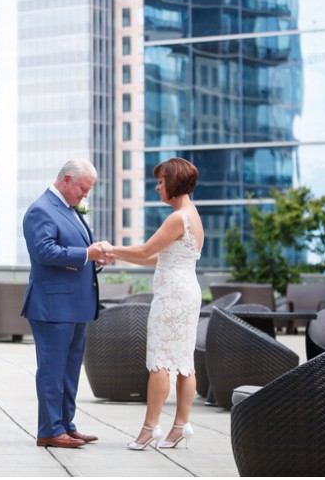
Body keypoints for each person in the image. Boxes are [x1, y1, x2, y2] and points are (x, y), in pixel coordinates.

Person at [96, 157, 203, 451]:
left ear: (174, 182)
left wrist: (108, 248)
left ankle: (149, 428)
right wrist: (118, 255)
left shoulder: (176, 218)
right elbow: (158, 257)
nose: (157, 187)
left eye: (160, 181)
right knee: (184, 363)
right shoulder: (193, 215)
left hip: (172, 297)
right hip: (188, 292)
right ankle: (180, 425)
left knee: (159, 362)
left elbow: (145, 252)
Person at [21, 158, 111, 448]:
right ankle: (49, 430)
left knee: (70, 370)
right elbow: (45, 252)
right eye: (83, 189)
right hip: (52, 307)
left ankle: (66, 425)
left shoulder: (71, 210)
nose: (85, 195)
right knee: (52, 370)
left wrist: (96, 260)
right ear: (67, 180)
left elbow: (78, 254)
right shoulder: (40, 210)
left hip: (74, 305)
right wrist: (87, 253)